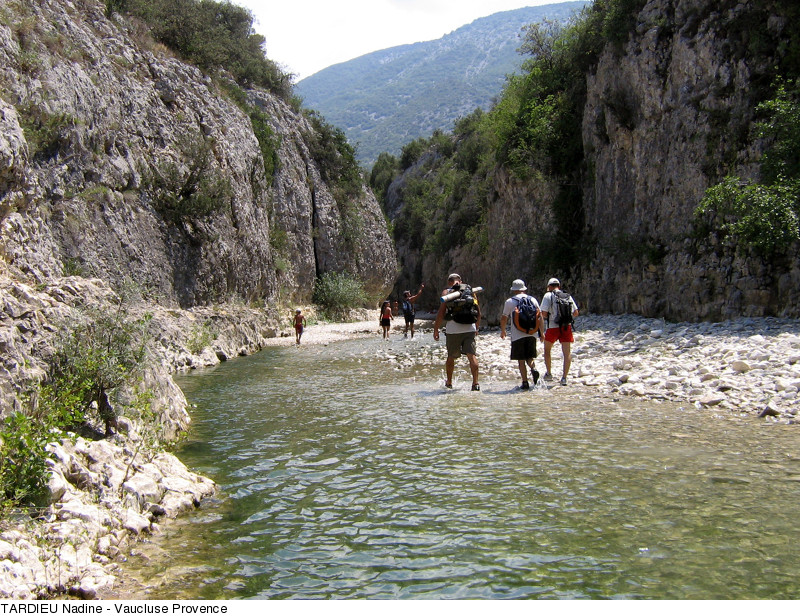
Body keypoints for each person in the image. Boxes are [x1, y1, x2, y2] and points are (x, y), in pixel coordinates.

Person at [433, 273, 480, 391]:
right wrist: (476, 328)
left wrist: (436, 329)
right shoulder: (470, 291)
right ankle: (475, 384)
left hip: (453, 330)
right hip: (469, 328)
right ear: (460, 280)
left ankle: (449, 383)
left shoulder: (447, 292)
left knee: (451, 357)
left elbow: (441, 312)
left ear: (449, 282)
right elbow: (478, 311)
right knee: (472, 356)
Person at [500, 279, 543, 390]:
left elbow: (504, 318)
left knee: (521, 360)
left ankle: (525, 382)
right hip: (532, 333)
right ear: (524, 289)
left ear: (514, 290)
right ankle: (533, 368)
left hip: (518, 335)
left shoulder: (510, 301)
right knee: (530, 357)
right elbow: (540, 316)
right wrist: (541, 333)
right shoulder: (532, 299)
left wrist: (503, 331)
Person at [540, 277, 579, 386]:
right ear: (559, 286)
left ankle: (549, 373)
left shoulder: (548, 295)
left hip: (553, 327)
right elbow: (576, 313)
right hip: (566, 327)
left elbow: (543, 313)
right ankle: (564, 378)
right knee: (567, 353)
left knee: (547, 350)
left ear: (549, 287)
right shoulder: (567, 296)